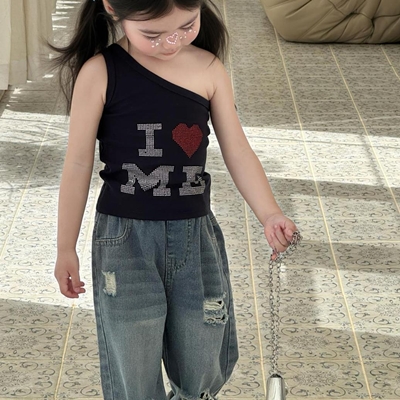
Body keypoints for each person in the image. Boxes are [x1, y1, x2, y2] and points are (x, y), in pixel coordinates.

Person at [53, 0, 298, 399]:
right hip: (124, 243)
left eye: (186, 26)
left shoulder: (208, 69)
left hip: (194, 238)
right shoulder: (99, 73)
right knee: (132, 359)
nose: (171, 42)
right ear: (113, 9)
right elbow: (78, 163)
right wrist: (66, 247)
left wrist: (269, 213)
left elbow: (237, 150)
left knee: (203, 356)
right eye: (153, 34)